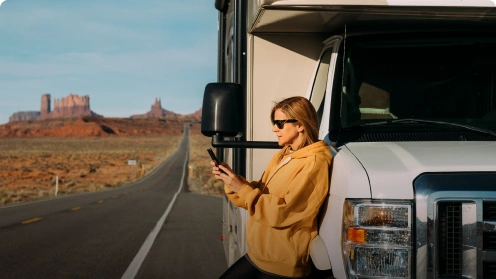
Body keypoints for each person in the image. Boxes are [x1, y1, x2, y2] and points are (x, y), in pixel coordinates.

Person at [211, 96, 332, 278]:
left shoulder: (314, 164)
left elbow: (283, 212)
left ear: (300, 125)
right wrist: (233, 181)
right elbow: (258, 195)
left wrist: (241, 188)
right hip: (259, 254)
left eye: (279, 123)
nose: (274, 128)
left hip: (283, 263)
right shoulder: (283, 155)